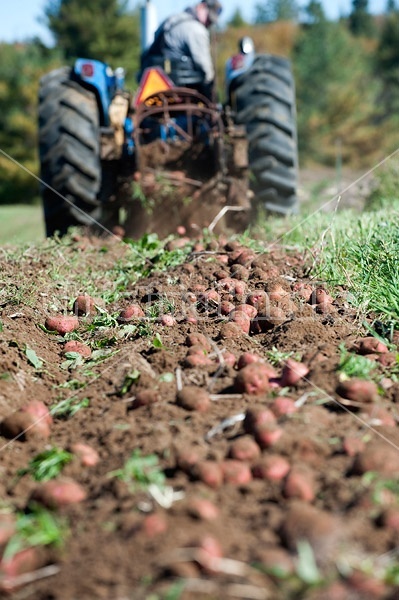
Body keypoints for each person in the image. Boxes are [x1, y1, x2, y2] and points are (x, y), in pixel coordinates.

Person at [140, 1, 222, 100]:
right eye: (209, 19)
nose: (209, 24)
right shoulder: (197, 30)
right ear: (202, 7)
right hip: (182, 87)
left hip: (155, 82)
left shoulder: (171, 20)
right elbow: (205, 66)